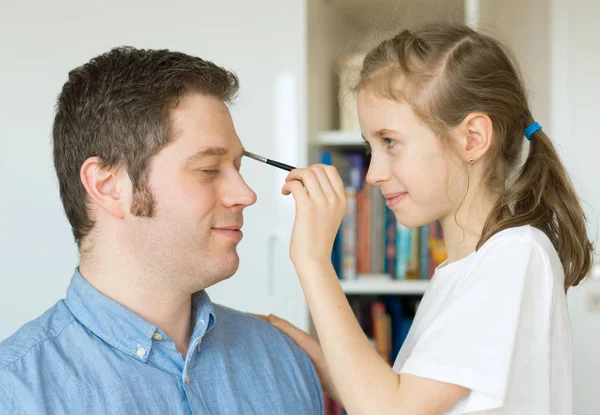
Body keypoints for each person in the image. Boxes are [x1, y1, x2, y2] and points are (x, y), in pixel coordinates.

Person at [263, 23, 594, 414]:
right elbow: (394, 395)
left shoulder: (514, 258)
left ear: (472, 139)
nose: (373, 174)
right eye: (371, 148)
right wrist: (307, 354)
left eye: (390, 142)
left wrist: (314, 261)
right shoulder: (463, 272)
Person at [0, 47, 323, 414]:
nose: (246, 194)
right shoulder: (15, 393)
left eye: (236, 166)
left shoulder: (283, 360)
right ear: (108, 186)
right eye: (208, 169)